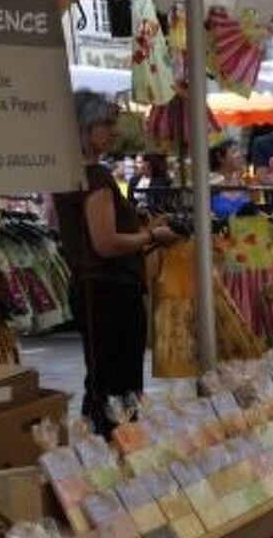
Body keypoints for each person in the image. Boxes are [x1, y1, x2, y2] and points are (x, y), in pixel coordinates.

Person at [52, 91, 179, 436]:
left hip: (95, 288)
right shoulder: (95, 177)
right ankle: (116, 445)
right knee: (117, 382)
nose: (114, 131)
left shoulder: (71, 174)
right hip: (109, 290)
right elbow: (105, 243)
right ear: (84, 127)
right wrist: (152, 236)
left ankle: (104, 444)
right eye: (106, 124)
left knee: (104, 378)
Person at [208, 139, 250, 218]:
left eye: (240, 151)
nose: (240, 155)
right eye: (234, 152)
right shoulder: (210, 183)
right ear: (220, 158)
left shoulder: (241, 182)